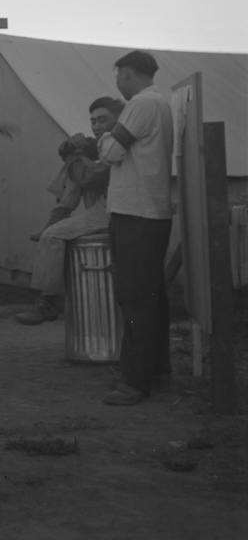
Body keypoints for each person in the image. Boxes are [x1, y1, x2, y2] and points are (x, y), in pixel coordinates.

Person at [99, 50, 175, 406]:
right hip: (148, 212)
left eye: (119, 75)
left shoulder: (141, 104)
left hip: (136, 214)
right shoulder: (159, 103)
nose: (117, 83)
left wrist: (103, 137)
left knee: (134, 298)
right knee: (150, 297)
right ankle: (155, 368)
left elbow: (111, 152)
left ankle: (134, 381)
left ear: (127, 73)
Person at [14, 96, 123, 325]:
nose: (96, 126)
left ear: (118, 118)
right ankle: (56, 218)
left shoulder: (118, 143)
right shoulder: (103, 143)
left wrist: (76, 154)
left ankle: (48, 301)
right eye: (93, 121)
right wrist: (75, 151)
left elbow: (94, 177)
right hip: (105, 206)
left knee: (52, 235)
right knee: (74, 165)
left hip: (115, 210)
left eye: (102, 120)